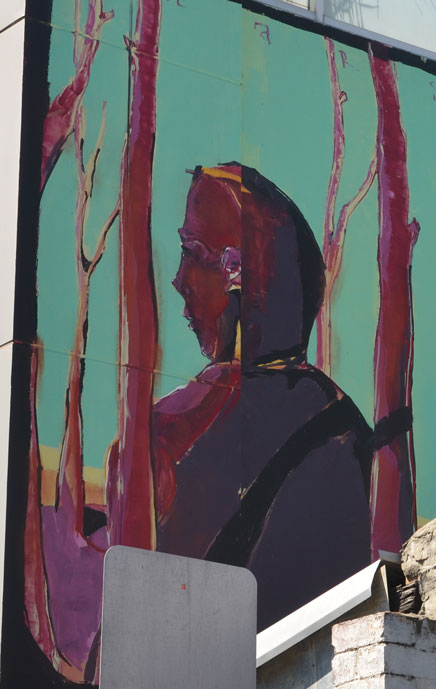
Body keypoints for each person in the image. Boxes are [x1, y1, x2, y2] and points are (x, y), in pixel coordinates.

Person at [144, 163, 373, 628]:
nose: (179, 279)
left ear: (237, 274)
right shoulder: (346, 422)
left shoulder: (186, 423)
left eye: (192, 252)